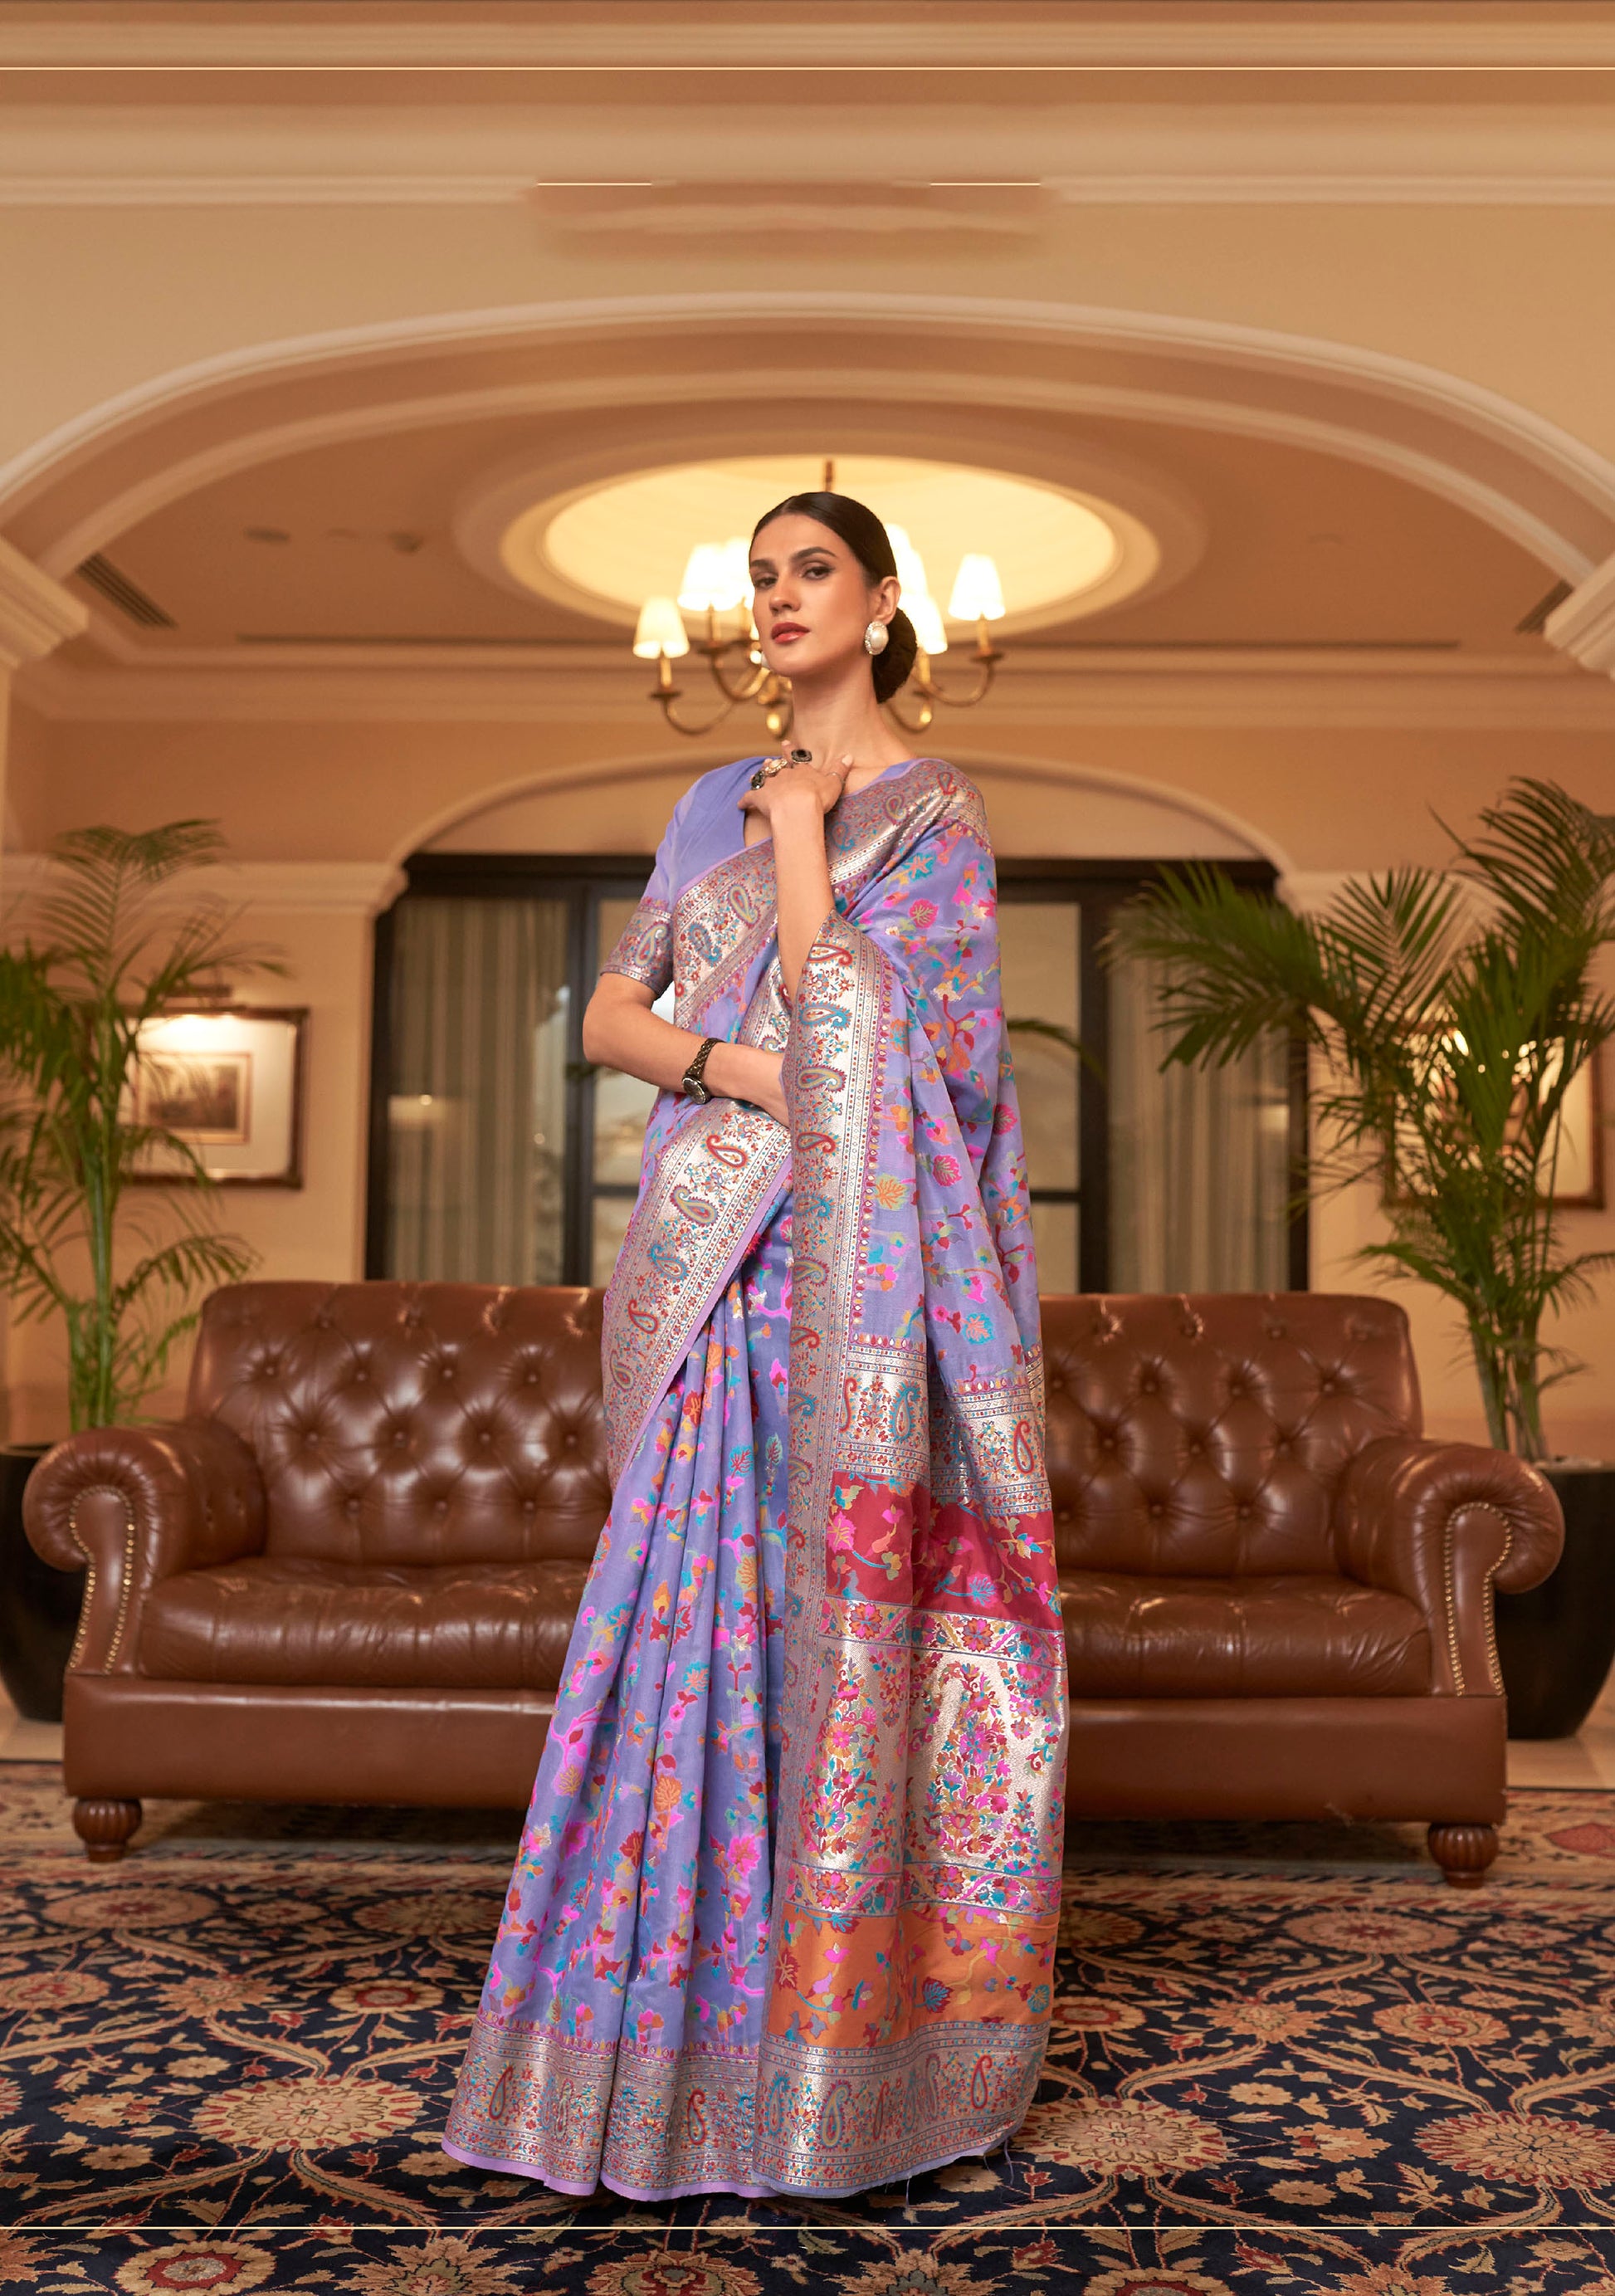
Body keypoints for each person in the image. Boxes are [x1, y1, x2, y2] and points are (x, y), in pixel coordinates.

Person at [444, 491, 1067, 2201]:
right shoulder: (699, 799)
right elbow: (612, 1016)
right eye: (759, 578)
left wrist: (803, 831)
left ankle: (821, 2060)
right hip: (708, 1264)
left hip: (852, 1280)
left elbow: (882, 1038)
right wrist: (738, 1074)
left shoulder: (935, 812)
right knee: (682, 1630)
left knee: (826, 1633)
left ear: (882, 600)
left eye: (811, 572)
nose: (777, 600)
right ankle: (657, 2039)